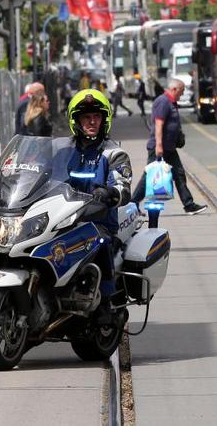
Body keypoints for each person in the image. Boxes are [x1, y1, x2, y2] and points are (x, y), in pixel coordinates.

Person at [62, 89, 133, 323]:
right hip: (65, 218)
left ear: (104, 120)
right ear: (77, 121)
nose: (91, 122)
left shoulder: (114, 153)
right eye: (86, 117)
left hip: (99, 220)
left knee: (100, 241)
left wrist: (111, 192)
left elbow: (124, 188)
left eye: (96, 117)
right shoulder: (63, 152)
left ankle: (106, 304)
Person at [131, 78, 206, 214]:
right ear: (174, 89)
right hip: (159, 148)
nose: (182, 94)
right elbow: (158, 124)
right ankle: (132, 204)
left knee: (179, 174)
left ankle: (188, 204)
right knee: (149, 176)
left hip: (169, 148)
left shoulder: (172, 102)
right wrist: (159, 146)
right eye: (181, 91)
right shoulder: (163, 102)